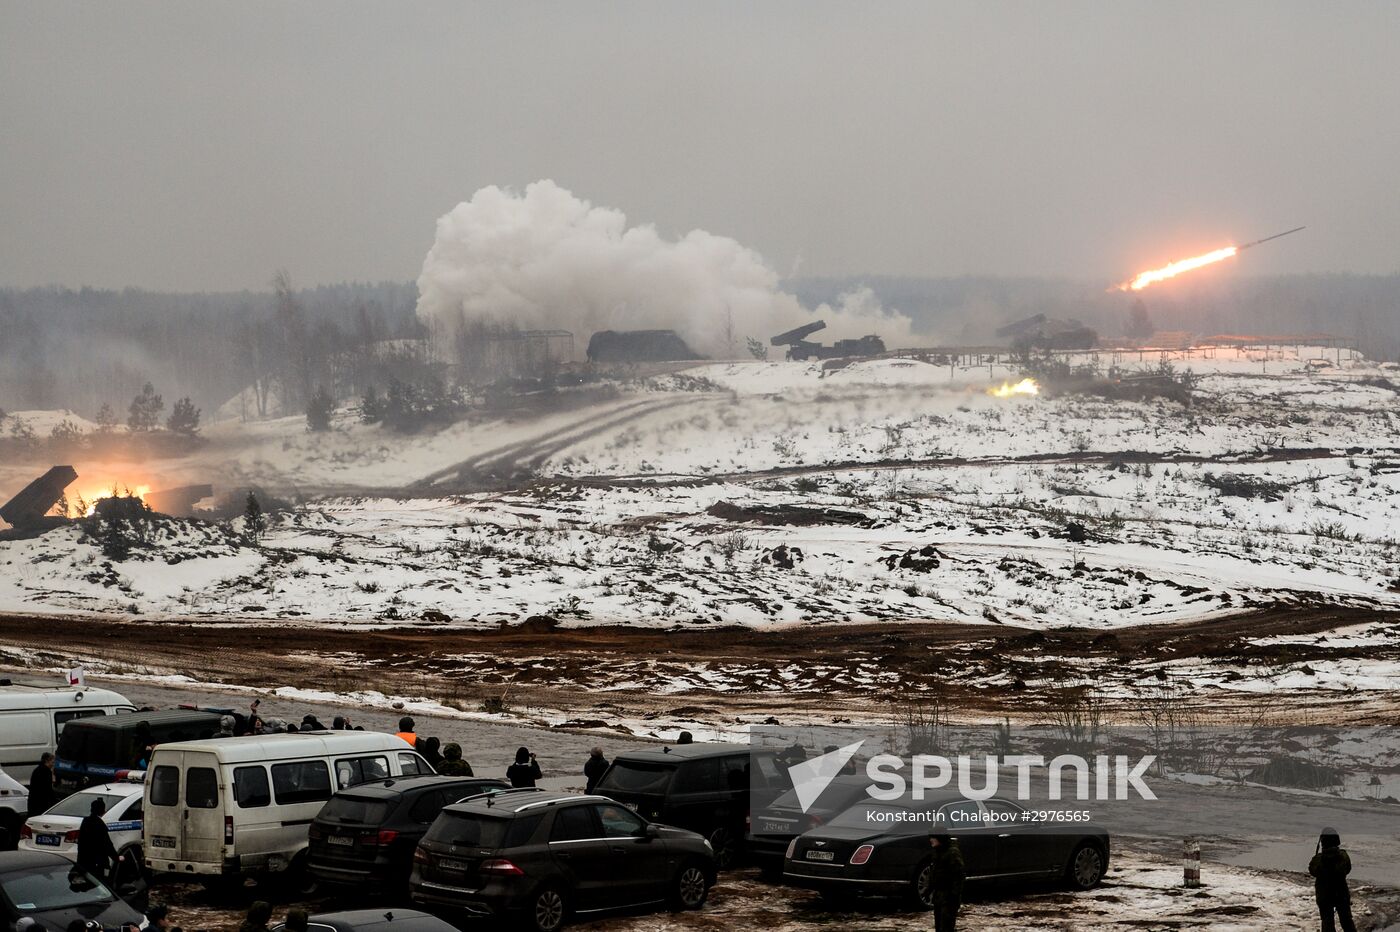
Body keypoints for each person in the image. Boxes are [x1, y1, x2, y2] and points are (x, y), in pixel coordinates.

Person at [1309, 827, 1357, 932]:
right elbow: (1348, 869)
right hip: (1341, 892)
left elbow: (1312, 871)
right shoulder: (1343, 856)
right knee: (1347, 921)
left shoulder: (1318, 859)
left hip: (1324, 894)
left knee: (1327, 922)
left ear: (1322, 842)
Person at [928, 832, 965, 932]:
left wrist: (954, 894)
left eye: (933, 838)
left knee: (946, 925)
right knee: (939, 924)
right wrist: (930, 888)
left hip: (948, 896)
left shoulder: (952, 853)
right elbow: (934, 872)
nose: (931, 840)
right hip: (938, 895)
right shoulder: (937, 852)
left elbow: (959, 875)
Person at [77, 798, 119, 881]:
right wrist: (116, 858)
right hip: (97, 862)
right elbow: (107, 844)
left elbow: (81, 842)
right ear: (101, 810)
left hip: (84, 860)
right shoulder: (99, 824)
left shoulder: (85, 821)